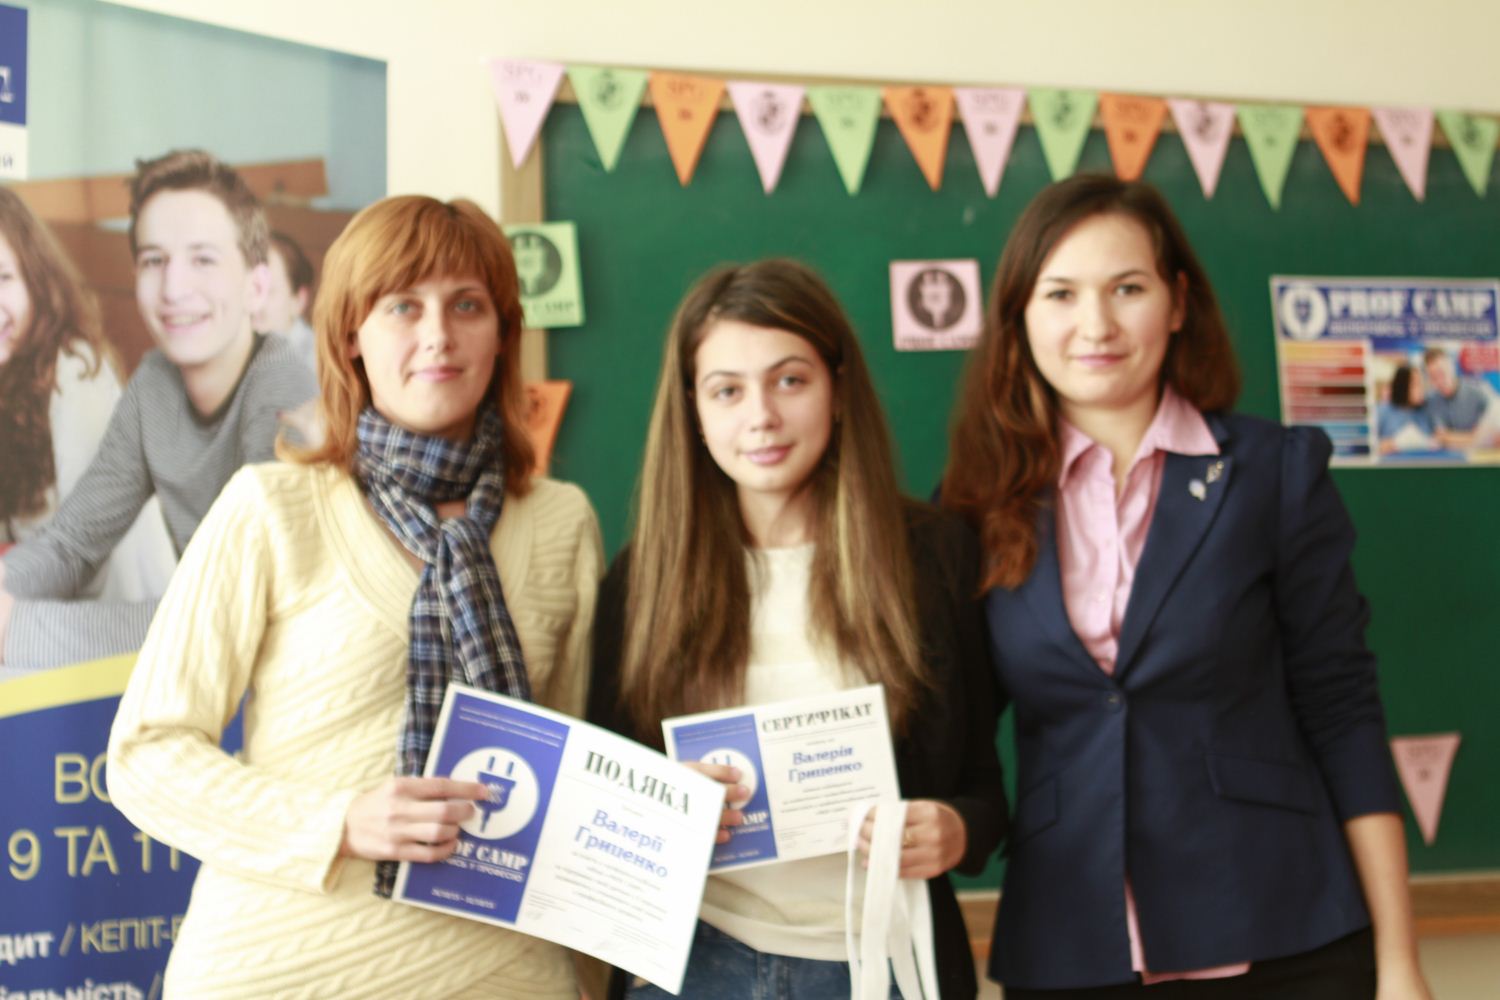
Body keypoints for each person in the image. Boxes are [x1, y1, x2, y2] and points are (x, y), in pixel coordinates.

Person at [941, 174, 1431, 998]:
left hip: (1282, 933)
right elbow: (953, 732)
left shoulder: (1274, 473)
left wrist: (1401, 959)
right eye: (1060, 294)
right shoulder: (974, 507)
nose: (1095, 325)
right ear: (1020, 317)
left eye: (1127, 288)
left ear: (1176, 303)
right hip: (1072, 946)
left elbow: (1342, 708)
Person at [107, 194, 603, 998]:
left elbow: (575, 771)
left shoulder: (562, 522)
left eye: (467, 305)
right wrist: (338, 822)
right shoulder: (271, 508)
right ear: (350, 337)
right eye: (403, 306)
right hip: (280, 972)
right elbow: (146, 757)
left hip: (507, 973)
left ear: (503, 335)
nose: (438, 335)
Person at [588, 259, 1005, 999]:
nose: (762, 417)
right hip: (693, 964)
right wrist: (659, 806)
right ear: (693, 411)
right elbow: (604, 799)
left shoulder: (934, 558)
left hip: (882, 961)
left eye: (790, 380)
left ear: (838, 392)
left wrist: (958, 829)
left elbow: (982, 786)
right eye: (727, 390)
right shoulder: (642, 579)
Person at [0, 150, 316, 670]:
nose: (174, 289)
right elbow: (74, 544)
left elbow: (236, 612)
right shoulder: (155, 384)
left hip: (296, 686)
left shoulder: (285, 391)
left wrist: (18, 628)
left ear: (256, 287)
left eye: (203, 259)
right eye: (154, 261)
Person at [0, 187, 175, 610]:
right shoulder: (9, 373)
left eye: (2, 278)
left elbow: (85, 545)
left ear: (35, 279)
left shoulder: (74, 371)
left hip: (115, 619)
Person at [257, 229, 317, 372]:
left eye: (269, 292)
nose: (255, 304)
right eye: (251, 289)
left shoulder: (319, 364)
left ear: (299, 300)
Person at [1424, 347, 1495, 449]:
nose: (1439, 381)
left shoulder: (1479, 393)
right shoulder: (1432, 401)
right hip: (1450, 457)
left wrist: (1450, 437)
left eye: (1442, 372)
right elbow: (1441, 436)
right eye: (1433, 377)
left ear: (1451, 367)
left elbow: (1485, 436)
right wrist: (1470, 437)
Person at [1376, 363, 1437, 455]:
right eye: (1416, 384)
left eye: (1422, 383)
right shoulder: (1383, 411)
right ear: (1403, 387)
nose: (1421, 389)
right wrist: (1393, 444)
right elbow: (1370, 446)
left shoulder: (1425, 411)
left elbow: (1436, 439)